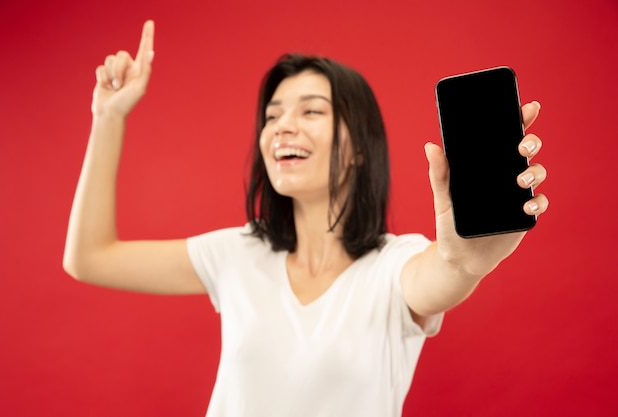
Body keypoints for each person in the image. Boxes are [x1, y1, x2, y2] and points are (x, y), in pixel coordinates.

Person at [63, 20, 548, 417]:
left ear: (358, 146)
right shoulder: (235, 254)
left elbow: (443, 272)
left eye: (311, 111)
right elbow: (89, 258)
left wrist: (465, 258)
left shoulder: (391, 267)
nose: (282, 127)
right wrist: (108, 118)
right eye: (272, 116)